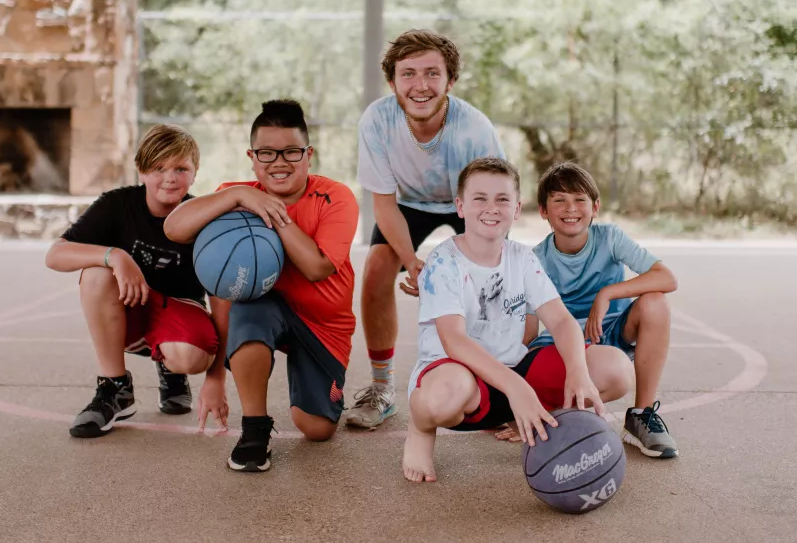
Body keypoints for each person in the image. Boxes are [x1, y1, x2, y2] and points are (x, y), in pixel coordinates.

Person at [402, 157, 633, 483]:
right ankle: (420, 429)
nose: (491, 207)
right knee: (442, 396)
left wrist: (578, 374)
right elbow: (454, 341)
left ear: (516, 209)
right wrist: (517, 389)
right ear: (460, 206)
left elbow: (562, 322)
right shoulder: (443, 261)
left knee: (616, 369)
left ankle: (540, 420)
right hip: (463, 379)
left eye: (502, 199)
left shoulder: (521, 257)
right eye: (480, 198)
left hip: (515, 370)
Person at [165, 99, 359, 472]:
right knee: (247, 301)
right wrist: (238, 196)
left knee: (315, 428)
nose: (279, 162)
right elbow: (174, 228)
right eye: (267, 153)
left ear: (309, 154)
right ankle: (254, 429)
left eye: (290, 152)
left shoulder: (336, 198)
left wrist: (272, 209)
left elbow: (317, 268)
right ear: (252, 157)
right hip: (265, 308)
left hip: (323, 324)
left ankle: (313, 384)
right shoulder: (236, 193)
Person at [345, 28, 505, 431]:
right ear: (392, 81)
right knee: (378, 271)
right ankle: (382, 389)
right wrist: (413, 263)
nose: (421, 85)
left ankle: (498, 385)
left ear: (450, 81)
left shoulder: (474, 130)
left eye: (432, 73)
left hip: (471, 203)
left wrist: (456, 269)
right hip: (408, 204)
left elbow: (492, 204)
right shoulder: (378, 120)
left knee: (492, 284)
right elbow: (383, 203)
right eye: (409, 73)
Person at [44, 124, 227, 438]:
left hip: (178, 312)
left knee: (189, 355)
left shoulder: (203, 219)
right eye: (158, 168)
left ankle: (172, 368)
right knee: (97, 273)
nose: (169, 177)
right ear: (141, 171)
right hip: (129, 309)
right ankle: (115, 388)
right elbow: (55, 255)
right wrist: (115, 255)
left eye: (180, 168)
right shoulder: (117, 205)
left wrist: (216, 378)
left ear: (195, 174)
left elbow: (222, 299)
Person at [528, 161, 680, 458]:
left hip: (613, 330)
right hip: (568, 346)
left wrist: (607, 294)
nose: (571, 208)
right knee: (550, 370)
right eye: (559, 200)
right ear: (544, 210)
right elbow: (527, 333)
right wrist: (515, 400)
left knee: (655, 302)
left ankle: (641, 415)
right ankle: (554, 412)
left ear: (595, 207)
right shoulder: (535, 260)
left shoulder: (609, 237)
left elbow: (667, 278)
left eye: (579, 199)